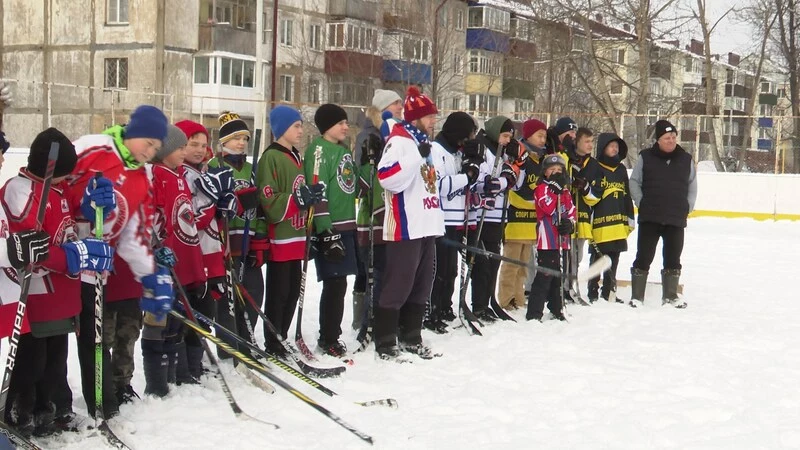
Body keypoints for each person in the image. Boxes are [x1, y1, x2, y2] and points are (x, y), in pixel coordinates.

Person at [1, 128, 113, 438]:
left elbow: (66, 232)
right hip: (36, 297)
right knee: (32, 361)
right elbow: (27, 245)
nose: (68, 179)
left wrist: (89, 215)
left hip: (62, 297)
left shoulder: (56, 192)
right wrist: (69, 257)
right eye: (65, 173)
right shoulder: (20, 190)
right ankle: (21, 412)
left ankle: (53, 409)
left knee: (55, 360)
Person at [67, 104, 174, 421]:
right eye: (149, 143)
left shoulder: (140, 177)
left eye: (156, 148)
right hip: (66, 256)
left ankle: (103, 402)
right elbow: (54, 183)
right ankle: (58, 401)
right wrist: (82, 203)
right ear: (134, 132)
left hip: (98, 266)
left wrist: (149, 275)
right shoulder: (92, 148)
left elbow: (133, 234)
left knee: (96, 336)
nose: (150, 152)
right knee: (67, 336)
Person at [374, 86, 445, 361]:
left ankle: (412, 334)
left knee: (422, 284)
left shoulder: (423, 142)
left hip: (426, 224)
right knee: (399, 284)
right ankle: (385, 340)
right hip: (406, 226)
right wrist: (417, 155)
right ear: (415, 118)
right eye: (429, 117)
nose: (433, 121)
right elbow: (387, 177)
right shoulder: (400, 141)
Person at [142, 124, 206, 396]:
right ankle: (157, 383)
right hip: (161, 266)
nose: (184, 152)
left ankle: (178, 374)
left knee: (179, 320)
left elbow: (188, 221)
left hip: (185, 260)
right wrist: (157, 248)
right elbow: (150, 217)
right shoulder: (155, 175)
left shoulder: (179, 174)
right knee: (160, 322)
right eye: (180, 147)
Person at [257, 105, 324, 357]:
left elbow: (302, 194)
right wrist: (298, 198)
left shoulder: (296, 156)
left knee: (293, 290)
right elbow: (269, 198)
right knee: (279, 291)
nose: (300, 130)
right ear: (281, 128)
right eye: (296, 126)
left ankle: (282, 335)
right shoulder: (271, 157)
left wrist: (310, 204)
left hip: (297, 237)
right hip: (280, 238)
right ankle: (273, 341)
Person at [207, 111, 266, 356]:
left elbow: (261, 208)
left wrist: (259, 242)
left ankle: (248, 339)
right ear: (223, 142)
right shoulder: (214, 166)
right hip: (225, 241)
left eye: (244, 138)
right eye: (235, 138)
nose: (241, 142)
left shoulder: (252, 169)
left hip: (247, 241)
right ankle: (228, 346)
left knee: (253, 291)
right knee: (227, 296)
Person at [305, 103, 358, 357]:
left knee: (341, 285)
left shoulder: (342, 149)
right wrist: (325, 231)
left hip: (348, 224)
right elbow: (318, 190)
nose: (346, 127)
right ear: (328, 126)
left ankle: (332, 334)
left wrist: (370, 164)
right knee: (334, 284)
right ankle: (328, 338)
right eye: (341, 123)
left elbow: (354, 185)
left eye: (346, 122)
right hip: (331, 228)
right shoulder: (318, 151)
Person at [629, 120, 697, 308]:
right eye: (667, 138)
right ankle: (637, 296)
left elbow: (692, 185)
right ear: (658, 140)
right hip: (650, 216)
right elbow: (634, 181)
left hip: (675, 218)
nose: (671, 141)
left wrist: (687, 206)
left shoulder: (686, 159)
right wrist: (640, 202)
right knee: (644, 256)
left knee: (673, 258)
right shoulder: (646, 157)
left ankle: (670, 296)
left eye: (674, 137)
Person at [177, 119, 225, 377]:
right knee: (191, 309)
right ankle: (184, 368)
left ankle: (197, 362)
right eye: (192, 144)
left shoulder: (204, 172)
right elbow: (189, 217)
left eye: (203, 144)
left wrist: (230, 203)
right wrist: (213, 205)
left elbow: (213, 216)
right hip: (193, 255)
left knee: (207, 310)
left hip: (210, 252)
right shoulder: (180, 174)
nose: (198, 149)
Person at [351, 89, 402, 332]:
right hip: (374, 211)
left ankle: (383, 318)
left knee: (389, 269)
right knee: (373, 269)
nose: (401, 107)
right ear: (382, 108)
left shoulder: (396, 134)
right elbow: (362, 178)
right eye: (396, 103)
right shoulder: (368, 135)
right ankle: (365, 320)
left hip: (392, 212)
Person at [427, 111, 479, 332]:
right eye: (466, 136)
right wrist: (466, 176)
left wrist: (473, 166)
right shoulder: (435, 150)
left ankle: (445, 306)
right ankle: (432, 309)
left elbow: (469, 184)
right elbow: (438, 184)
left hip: (457, 218)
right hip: (440, 217)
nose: (466, 141)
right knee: (439, 269)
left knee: (451, 269)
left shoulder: (457, 153)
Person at [471, 115, 520, 322]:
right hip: (482, 213)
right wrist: (488, 184)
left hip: (498, 214)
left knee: (494, 261)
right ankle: (478, 303)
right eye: (505, 135)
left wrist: (505, 178)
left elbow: (513, 178)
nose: (507, 140)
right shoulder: (482, 147)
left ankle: (488, 300)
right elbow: (477, 176)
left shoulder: (503, 152)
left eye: (510, 136)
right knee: (482, 262)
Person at [497, 118, 547, 310]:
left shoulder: (540, 160)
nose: (543, 140)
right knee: (511, 264)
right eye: (539, 135)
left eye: (544, 136)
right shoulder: (520, 156)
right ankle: (506, 299)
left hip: (530, 221)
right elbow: (517, 187)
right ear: (528, 136)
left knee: (523, 266)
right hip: (515, 218)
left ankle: (518, 298)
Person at [525, 154, 576, 322]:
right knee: (545, 275)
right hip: (547, 240)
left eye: (559, 170)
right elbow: (546, 206)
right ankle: (534, 312)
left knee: (558, 276)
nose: (555, 173)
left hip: (562, 239)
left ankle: (556, 307)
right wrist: (554, 190)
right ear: (545, 172)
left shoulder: (566, 191)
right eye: (552, 170)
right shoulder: (542, 188)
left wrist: (570, 223)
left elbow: (571, 210)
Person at [588, 133, 634, 303]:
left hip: (618, 224)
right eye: (611, 146)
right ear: (603, 148)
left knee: (614, 258)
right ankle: (592, 292)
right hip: (600, 223)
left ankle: (609, 292)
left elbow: (626, 195)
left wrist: (629, 218)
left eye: (617, 146)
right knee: (598, 258)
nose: (614, 149)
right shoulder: (595, 167)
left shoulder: (621, 169)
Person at [565, 127, 600, 303]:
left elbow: (596, 196)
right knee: (566, 254)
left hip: (583, 217)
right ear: (576, 141)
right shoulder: (567, 159)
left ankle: (570, 286)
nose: (590, 145)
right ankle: (564, 287)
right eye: (586, 141)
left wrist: (585, 188)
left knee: (577, 256)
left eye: (592, 141)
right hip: (566, 215)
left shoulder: (593, 165)